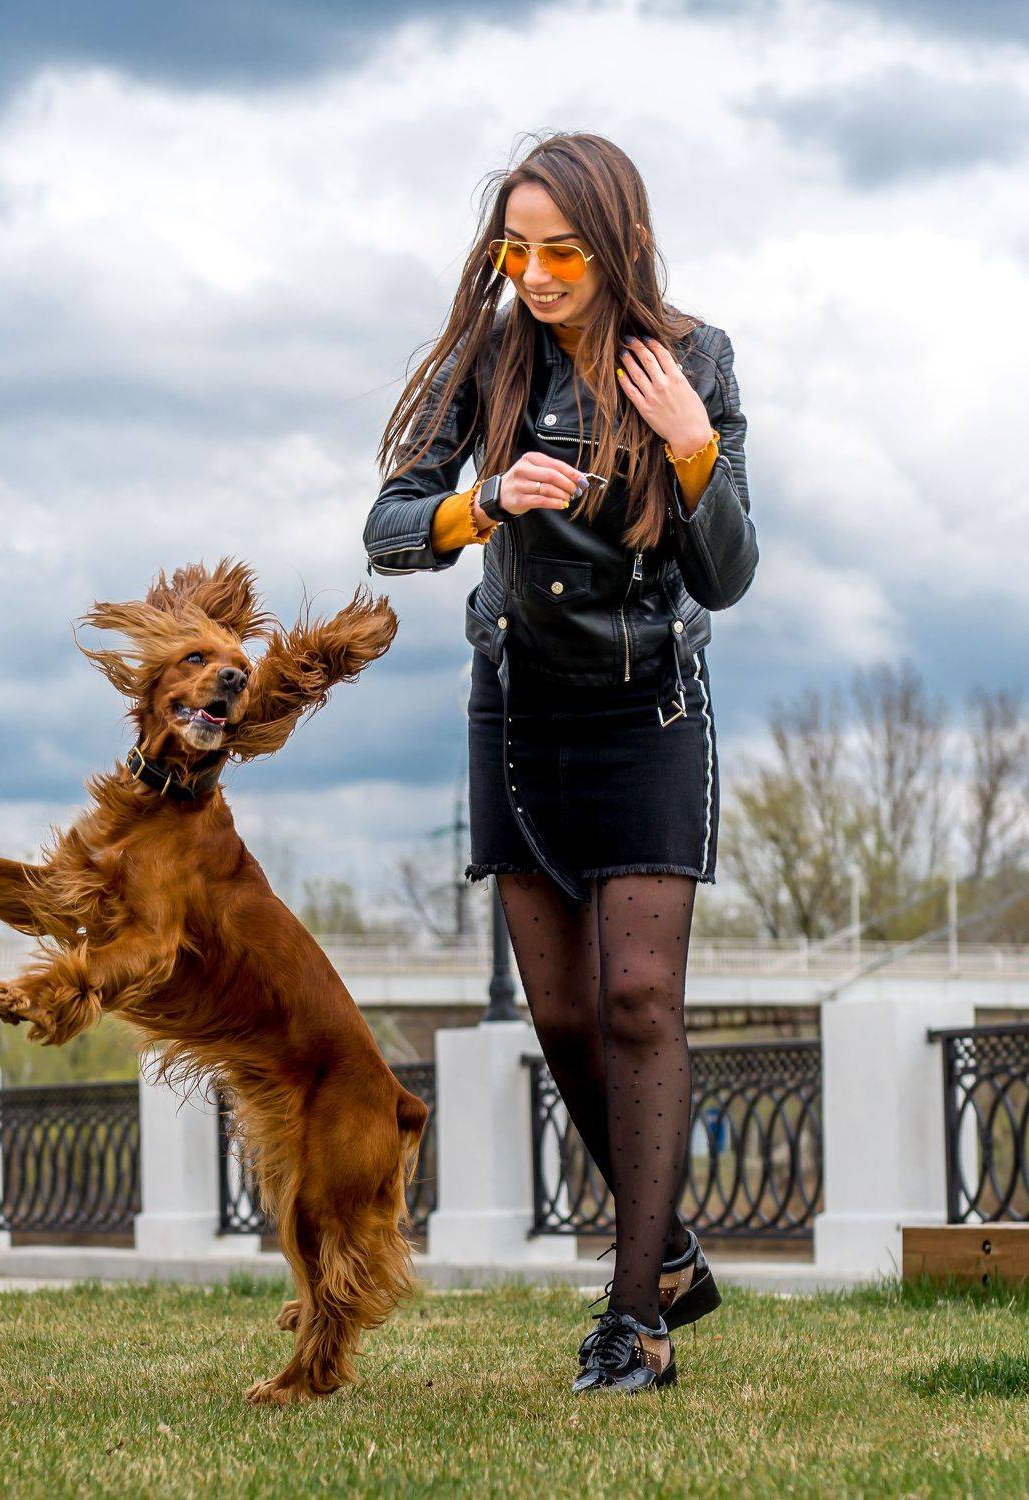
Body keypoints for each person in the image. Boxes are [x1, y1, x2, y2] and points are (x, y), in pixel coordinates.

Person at [363, 131, 758, 1393]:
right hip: (520, 712)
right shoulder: (487, 358)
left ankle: (635, 1320)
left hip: (651, 714)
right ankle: (672, 1251)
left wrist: (693, 447)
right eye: (516, 251)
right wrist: (483, 502)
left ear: (619, 246)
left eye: (563, 253)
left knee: (638, 1002)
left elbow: (727, 576)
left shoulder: (695, 359)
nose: (535, 275)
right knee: (568, 1016)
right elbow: (387, 528)